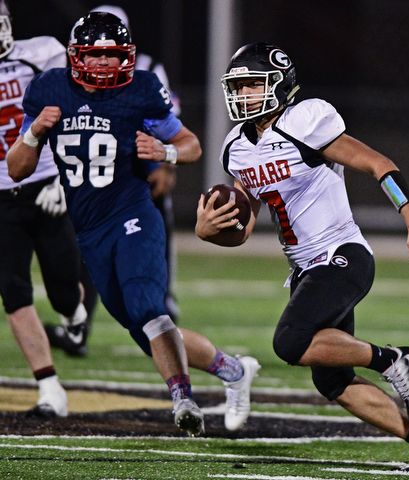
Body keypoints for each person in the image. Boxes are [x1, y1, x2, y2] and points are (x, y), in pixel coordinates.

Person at [195, 42, 409, 471]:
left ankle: (393, 360)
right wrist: (208, 233)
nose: (243, 96)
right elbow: (241, 230)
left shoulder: (305, 121)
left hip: (342, 255)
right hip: (304, 269)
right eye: (238, 87)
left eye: (251, 86)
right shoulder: (237, 148)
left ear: (280, 86)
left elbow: (378, 163)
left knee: (289, 342)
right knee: (332, 381)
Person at [6, 12, 260, 436]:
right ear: (76, 56)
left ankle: (182, 398)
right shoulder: (48, 89)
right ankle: (234, 370)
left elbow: (191, 145)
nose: (105, 64)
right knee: (148, 333)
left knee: (147, 306)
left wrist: (166, 153)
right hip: (88, 230)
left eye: (112, 55)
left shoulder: (140, 89)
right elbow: (15, 169)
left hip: (133, 215)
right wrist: (33, 133)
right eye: (96, 55)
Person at [0, 0, 92, 416]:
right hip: (2, 196)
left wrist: (64, 177)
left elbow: (79, 110)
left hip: (46, 184)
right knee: (13, 291)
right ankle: (49, 387)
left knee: (62, 289)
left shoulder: (42, 54)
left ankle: (74, 315)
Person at [89, 4, 180, 322]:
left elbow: (168, 120)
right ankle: (79, 315)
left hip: (139, 159)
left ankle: (164, 297)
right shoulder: (72, 70)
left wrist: (165, 162)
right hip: (93, 161)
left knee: (156, 222)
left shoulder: (147, 68)